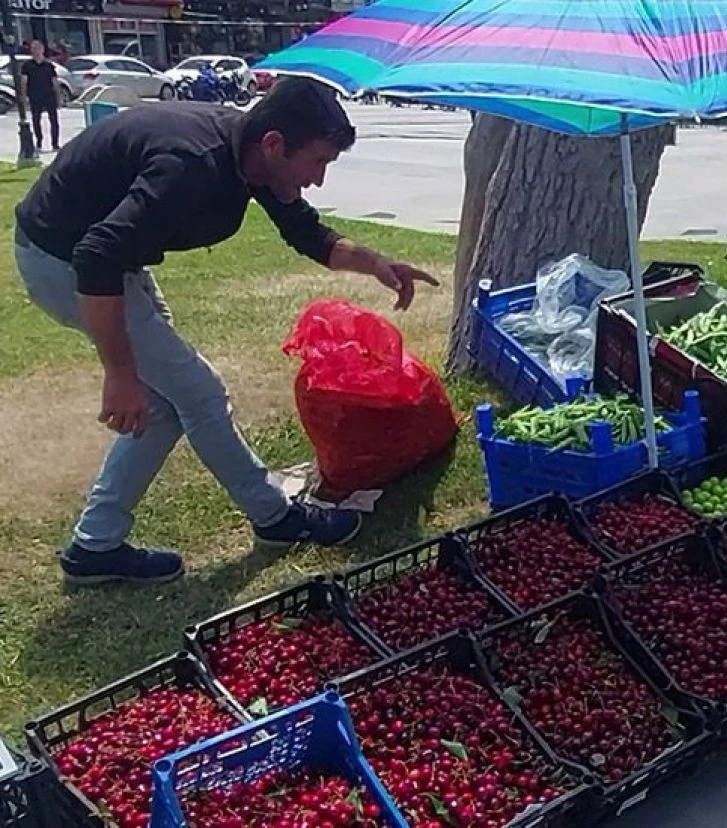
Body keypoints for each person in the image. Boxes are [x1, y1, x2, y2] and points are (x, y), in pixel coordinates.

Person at [13, 78, 438, 586]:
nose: (319, 180)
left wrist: (378, 264)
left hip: (106, 261)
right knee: (199, 393)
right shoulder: (191, 167)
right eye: (318, 162)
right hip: (64, 262)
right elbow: (95, 257)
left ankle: (95, 546)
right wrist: (120, 375)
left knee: (172, 403)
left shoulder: (252, 153)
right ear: (275, 144)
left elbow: (306, 232)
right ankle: (276, 518)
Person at [20, 40, 60, 152]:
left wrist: (58, 97)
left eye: (38, 48)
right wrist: (23, 97)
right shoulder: (27, 65)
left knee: (54, 120)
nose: (36, 51)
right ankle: (39, 142)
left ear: (42, 49)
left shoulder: (48, 65)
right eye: (33, 48)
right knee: (36, 120)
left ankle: (55, 143)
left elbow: (55, 82)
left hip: (49, 95)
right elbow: (23, 82)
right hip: (35, 96)